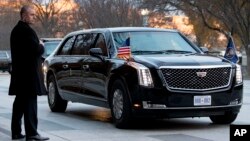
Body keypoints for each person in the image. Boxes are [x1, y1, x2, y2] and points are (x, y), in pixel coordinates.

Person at [9, 5, 49, 141]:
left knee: (19, 104)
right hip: (28, 76)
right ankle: (32, 133)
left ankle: (16, 132)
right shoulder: (26, 31)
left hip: (21, 75)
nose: (34, 17)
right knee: (30, 105)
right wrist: (42, 45)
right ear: (24, 15)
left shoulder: (16, 30)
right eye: (32, 14)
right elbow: (36, 50)